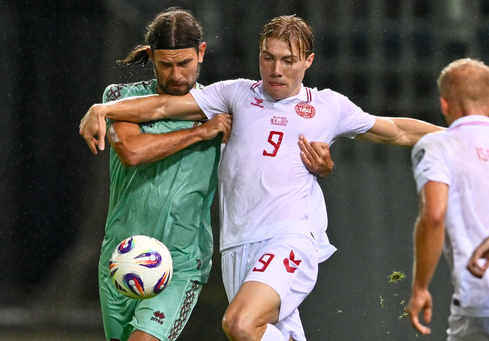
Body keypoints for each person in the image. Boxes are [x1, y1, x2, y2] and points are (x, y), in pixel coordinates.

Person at [80, 15, 442, 341]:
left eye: (288, 60)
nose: (276, 69)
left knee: (239, 323)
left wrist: (460, 136)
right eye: (268, 57)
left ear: (308, 61)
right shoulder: (234, 94)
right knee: (254, 332)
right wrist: (103, 108)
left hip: (288, 239)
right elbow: (161, 106)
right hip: (237, 247)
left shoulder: (328, 106)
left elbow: (395, 130)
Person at [92, 9, 332, 341]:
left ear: (201, 53)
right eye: (166, 65)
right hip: (122, 256)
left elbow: (281, 145)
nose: (177, 75)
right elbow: (133, 152)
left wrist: (322, 166)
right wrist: (201, 133)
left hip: (181, 263)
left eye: (185, 64)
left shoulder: (222, 106)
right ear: (150, 57)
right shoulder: (122, 99)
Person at [406, 58, 489, 339]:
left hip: (478, 300)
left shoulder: (437, 146)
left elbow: (434, 215)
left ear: (444, 104)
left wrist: (419, 287)